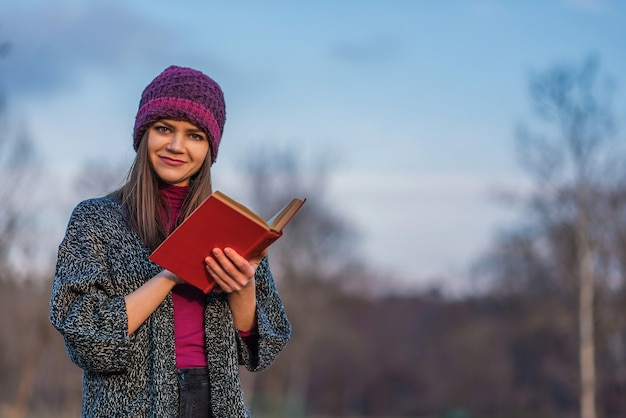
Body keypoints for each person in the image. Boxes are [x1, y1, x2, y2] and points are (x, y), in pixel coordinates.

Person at [49, 65, 291, 417]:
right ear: (144, 133)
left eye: (195, 135)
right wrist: (171, 274)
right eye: (164, 129)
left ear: (210, 147)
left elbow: (262, 349)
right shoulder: (95, 220)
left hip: (216, 405)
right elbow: (85, 337)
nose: (177, 146)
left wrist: (243, 286)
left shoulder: (230, 225)